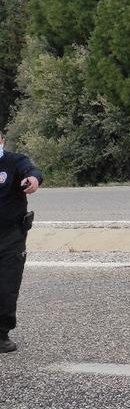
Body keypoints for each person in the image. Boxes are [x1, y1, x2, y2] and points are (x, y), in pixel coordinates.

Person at [0, 130, 43, 353]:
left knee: (7, 285)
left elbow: (33, 171)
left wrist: (33, 180)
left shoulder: (15, 161)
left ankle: (1, 334)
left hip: (11, 235)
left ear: (1, 140)